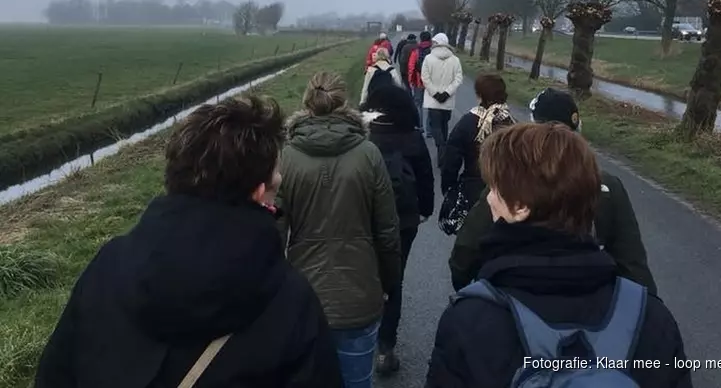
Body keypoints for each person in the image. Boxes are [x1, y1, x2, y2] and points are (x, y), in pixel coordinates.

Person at [35, 97, 343, 388]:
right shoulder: (290, 300)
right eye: (276, 182)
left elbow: (55, 374)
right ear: (259, 194)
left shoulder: (109, 264)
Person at [426, 123, 692, 388]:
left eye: (495, 189)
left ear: (520, 207)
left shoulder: (470, 321)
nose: (489, 200)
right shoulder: (652, 318)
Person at [449, 87, 658, 295]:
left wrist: (466, 284)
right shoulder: (608, 186)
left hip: (514, 298)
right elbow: (632, 264)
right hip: (593, 302)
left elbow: (469, 244)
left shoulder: (510, 180)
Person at [276, 72, 401, 388]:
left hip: (303, 295)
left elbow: (274, 232)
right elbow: (387, 231)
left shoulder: (286, 158)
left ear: (307, 104)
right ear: (344, 103)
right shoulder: (369, 154)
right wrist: (386, 282)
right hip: (359, 295)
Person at [361, 84, 434, 376]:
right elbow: (426, 177)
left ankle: (358, 335)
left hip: (366, 219)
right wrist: (425, 210)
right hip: (404, 220)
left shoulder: (364, 135)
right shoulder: (413, 136)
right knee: (395, 277)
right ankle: (386, 348)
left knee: (364, 272)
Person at [441, 72, 516, 209]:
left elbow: (451, 158)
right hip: (506, 191)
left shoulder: (468, 122)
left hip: (473, 188)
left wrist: (448, 187)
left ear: (479, 95)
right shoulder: (511, 122)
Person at [420, 32, 463, 167]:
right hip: (448, 100)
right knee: (444, 125)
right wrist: (447, 93)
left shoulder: (428, 58)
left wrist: (435, 93)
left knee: (435, 126)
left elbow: (425, 77)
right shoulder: (455, 60)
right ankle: (443, 153)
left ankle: (441, 148)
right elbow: (458, 79)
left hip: (433, 100)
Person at [407, 31, 434, 133]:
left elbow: (411, 67)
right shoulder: (433, 51)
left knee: (418, 104)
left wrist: (410, 80)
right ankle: (430, 130)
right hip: (431, 82)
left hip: (418, 81)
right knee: (431, 105)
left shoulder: (416, 51)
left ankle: (420, 126)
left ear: (421, 39)